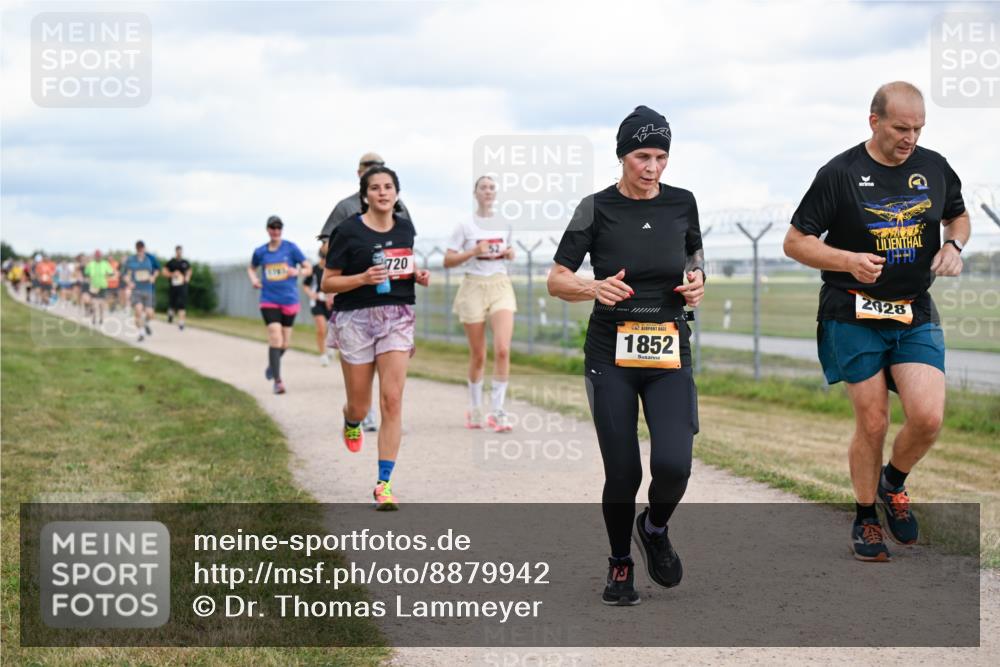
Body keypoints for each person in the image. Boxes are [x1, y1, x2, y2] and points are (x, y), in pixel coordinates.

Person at [783, 82, 970, 562]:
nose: (911, 138)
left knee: (928, 417)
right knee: (873, 420)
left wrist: (953, 245)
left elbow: (959, 218)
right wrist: (846, 259)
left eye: (919, 128)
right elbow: (796, 241)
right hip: (852, 310)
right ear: (875, 122)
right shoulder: (840, 173)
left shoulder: (934, 167)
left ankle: (893, 483)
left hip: (913, 310)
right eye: (902, 128)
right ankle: (866, 517)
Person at [548, 106, 705, 605]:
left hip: (668, 350)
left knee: (675, 464)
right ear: (622, 156)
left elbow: (694, 257)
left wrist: (698, 281)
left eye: (661, 156)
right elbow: (556, 280)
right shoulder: (594, 208)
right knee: (624, 472)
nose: (652, 167)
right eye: (642, 156)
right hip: (610, 355)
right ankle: (620, 563)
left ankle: (654, 528)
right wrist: (593, 288)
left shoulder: (683, 203)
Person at [322, 166, 430, 510]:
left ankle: (384, 484)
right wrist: (363, 278)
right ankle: (351, 420)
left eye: (388, 187)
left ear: (396, 193)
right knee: (361, 404)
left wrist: (417, 274)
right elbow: (328, 282)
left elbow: (401, 268)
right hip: (355, 319)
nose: (383, 192)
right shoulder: (347, 231)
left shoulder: (406, 228)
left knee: (392, 400)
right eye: (375, 188)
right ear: (365, 194)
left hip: (397, 316)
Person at [319, 152, 413, 433]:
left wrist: (412, 273)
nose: (376, 175)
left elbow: (404, 249)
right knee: (359, 396)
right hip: (354, 298)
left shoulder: (401, 209)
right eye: (369, 170)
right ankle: (357, 415)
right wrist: (355, 252)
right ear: (359, 174)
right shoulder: (344, 208)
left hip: (392, 305)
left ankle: (382, 419)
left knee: (391, 391)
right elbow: (326, 245)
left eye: (380, 170)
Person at [444, 175, 517, 431]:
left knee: (503, 349)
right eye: (483, 187)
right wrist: (473, 251)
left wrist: (509, 253)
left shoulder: (504, 223)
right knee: (478, 354)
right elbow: (448, 261)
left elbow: (509, 251)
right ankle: (474, 408)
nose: (488, 191)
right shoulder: (464, 225)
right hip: (473, 285)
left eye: (491, 187)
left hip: (499, 284)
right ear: (475, 193)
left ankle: (497, 411)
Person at [248, 216, 310, 394]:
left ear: (282, 230)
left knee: (285, 343)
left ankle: (272, 366)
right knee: (275, 337)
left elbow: (308, 268)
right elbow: (251, 268)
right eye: (272, 228)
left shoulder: (291, 248)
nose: (275, 231)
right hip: (268, 299)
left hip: (289, 300)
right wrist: (254, 279)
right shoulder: (260, 251)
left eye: (278, 228)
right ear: (267, 230)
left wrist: (296, 271)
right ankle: (278, 381)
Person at [122, 241, 161, 342]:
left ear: (144, 248)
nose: (140, 251)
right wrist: (129, 282)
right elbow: (125, 274)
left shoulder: (151, 258)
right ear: (136, 249)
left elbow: (157, 270)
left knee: (150, 314)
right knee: (138, 311)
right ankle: (141, 333)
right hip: (137, 290)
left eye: (142, 248)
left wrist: (153, 277)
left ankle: (146, 323)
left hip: (148, 289)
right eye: (138, 249)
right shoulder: (130, 260)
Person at [305, 241, 335, 366]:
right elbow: (305, 285)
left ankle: (330, 347)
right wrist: (311, 294)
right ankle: (322, 355)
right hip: (317, 302)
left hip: (330, 302)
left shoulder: (333, 269)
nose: (324, 261)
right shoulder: (314, 269)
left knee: (333, 329)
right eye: (322, 258)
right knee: (321, 329)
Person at [83, 250, 116, 325]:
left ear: (101, 256)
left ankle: (101, 317)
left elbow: (111, 272)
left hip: (103, 286)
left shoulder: (105, 264)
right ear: (95, 256)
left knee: (101, 303)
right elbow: (86, 273)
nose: (98, 257)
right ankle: (94, 317)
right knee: (94, 303)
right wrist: (89, 279)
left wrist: (109, 275)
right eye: (97, 256)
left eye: (99, 256)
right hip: (94, 286)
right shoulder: (91, 264)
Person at [165, 245, 192, 330]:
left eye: (180, 251)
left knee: (182, 304)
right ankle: (170, 315)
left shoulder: (185, 262)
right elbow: (164, 271)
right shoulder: (171, 262)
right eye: (178, 251)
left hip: (182, 286)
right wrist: (172, 274)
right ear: (176, 252)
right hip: (173, 286)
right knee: (172, 304)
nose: (179, 253)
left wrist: (187, 277)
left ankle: (181, 323)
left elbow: (189, 270)